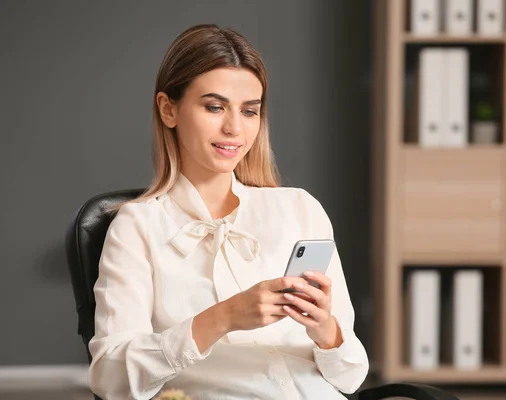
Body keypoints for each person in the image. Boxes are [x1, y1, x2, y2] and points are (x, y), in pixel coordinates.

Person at [88, 24, 369, 399]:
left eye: (249, 111)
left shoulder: (300, 209)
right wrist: (222, 318)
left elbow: (351, 378)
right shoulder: (137, 226)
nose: (235, 128)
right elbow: (111, 378)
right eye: (215, 106)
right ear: (168, 109)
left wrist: (327, 333)